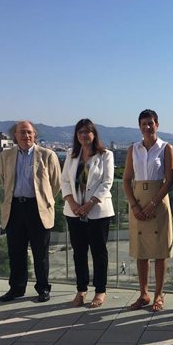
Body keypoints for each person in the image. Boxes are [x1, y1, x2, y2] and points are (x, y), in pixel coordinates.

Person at [0, 120, 61, 302]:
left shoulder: (47, 155)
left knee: (40, 252)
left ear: (35, 135)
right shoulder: (6, 156)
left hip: (38, 208)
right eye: (21, 132)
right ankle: (16, 288)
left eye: (29, 132)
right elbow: (5, 180)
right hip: (14, 208)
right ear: (15, 136)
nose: (26, 136)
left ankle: (43, 288)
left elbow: (55, 184)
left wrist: (43, 200)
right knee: (15, 251)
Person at [123, 109, 173, 312]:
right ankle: (143, 293)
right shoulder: (133, 149)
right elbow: (127, 180)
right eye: (144, 123)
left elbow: (169, 181)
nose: (147, 127)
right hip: (137, 201)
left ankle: (158, 295)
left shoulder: (165, 148)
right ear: (139, 126)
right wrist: (134, 205)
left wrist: (153, 203)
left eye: (151, 123)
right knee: (141, 251)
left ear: (157, 125)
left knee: (160, 252)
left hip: (158, 202)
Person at [61, 119, 115, 309]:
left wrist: (89, 204)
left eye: (87, 132)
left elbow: (107, 182)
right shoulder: (71, 155)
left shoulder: (105, 155)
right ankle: (81, 290)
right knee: (79, 252)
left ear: (94, 134)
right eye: (80, 132)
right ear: (77, 136)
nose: (84, 135)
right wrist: (74, 203)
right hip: (74, 211)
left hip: (98, 212)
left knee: (99, 252)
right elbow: (64, 181)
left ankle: (100, 290)